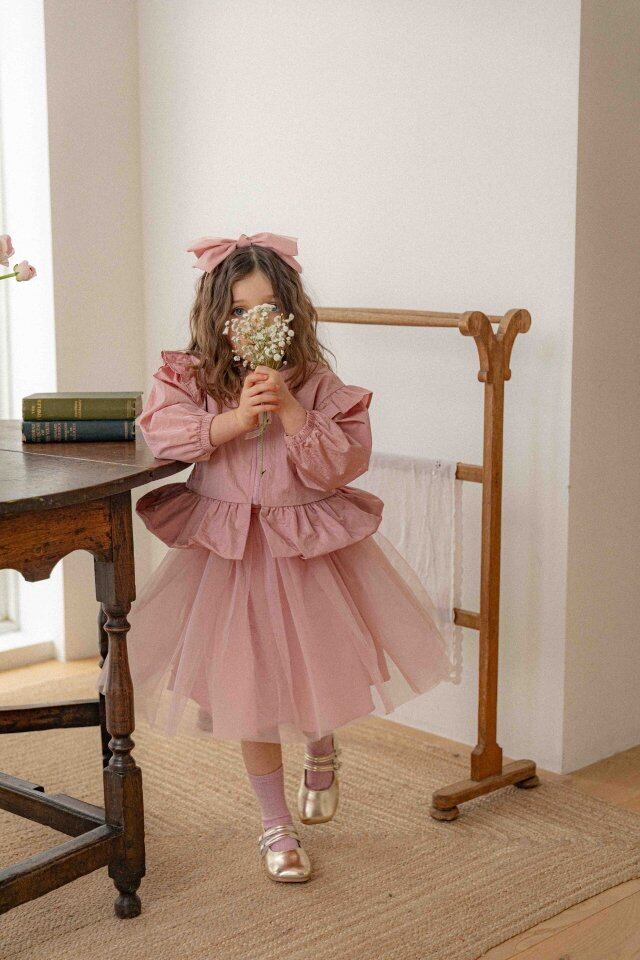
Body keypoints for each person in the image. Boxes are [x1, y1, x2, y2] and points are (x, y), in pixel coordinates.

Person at [96, 231, 455, 884]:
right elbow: (162, 431)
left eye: (266, 310)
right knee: (249, 688)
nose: (251, 323)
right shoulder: (191, 376)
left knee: (317, 666)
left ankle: (322, 747)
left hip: (307, 551)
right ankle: (275, 825)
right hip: (229, 558)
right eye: (238, 311)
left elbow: (341, 462)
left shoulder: (315, 383)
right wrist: (231, 421)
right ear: (216, 314)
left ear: (288, 314)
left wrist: (289, 409)